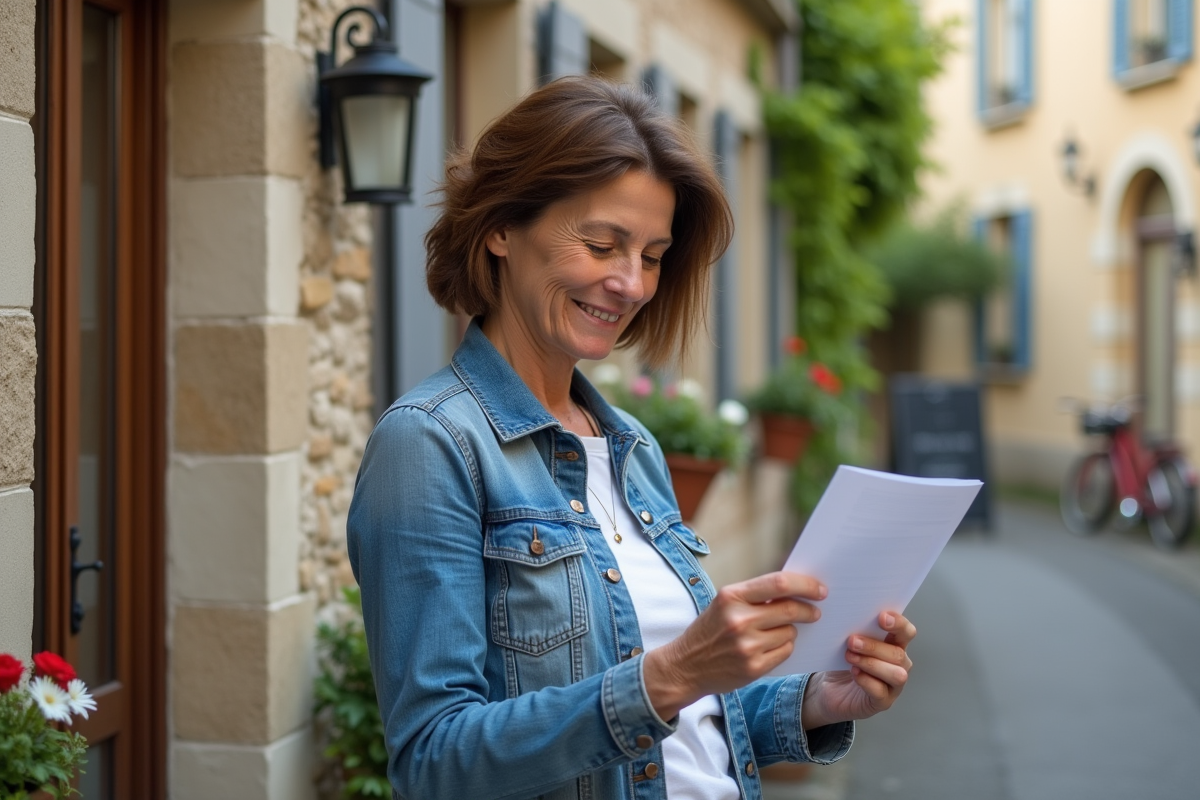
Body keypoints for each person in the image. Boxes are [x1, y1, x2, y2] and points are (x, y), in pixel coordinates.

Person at [347, 76, 916, 800]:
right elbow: (435, 762)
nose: (631, 283)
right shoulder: (430, 447)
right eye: (602, 244)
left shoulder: (633, 448)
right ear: (499, 227)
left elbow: (692, 722)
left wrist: (818, 701)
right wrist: (673, 671)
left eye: (651, 256)